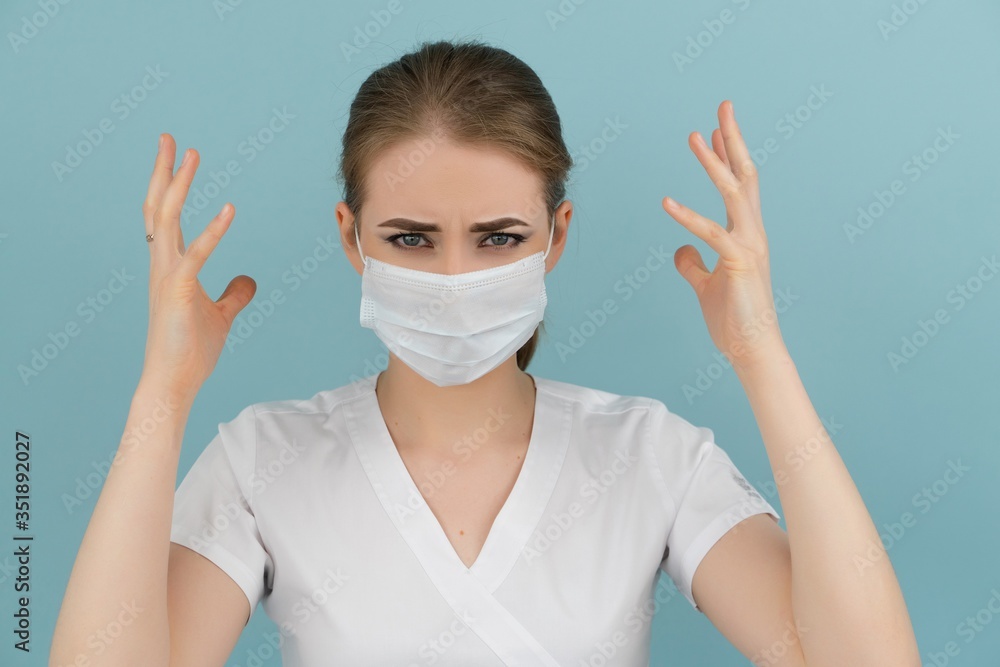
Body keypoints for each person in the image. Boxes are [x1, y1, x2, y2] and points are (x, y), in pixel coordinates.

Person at [51, 39, 920, 666]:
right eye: (412, 238)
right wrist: (162, 395)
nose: (456, 278)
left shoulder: (651, 454)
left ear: (557, 235)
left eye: (500, 237)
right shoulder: (262, 460)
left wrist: (761, 357)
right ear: (352, 238)